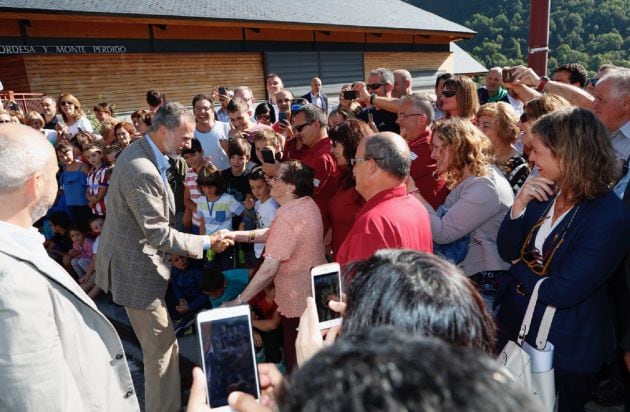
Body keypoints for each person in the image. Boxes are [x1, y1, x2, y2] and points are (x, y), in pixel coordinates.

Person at [95, 102, 232, 412]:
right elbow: (159, 234)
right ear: (163, 130)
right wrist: (208, 242)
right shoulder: (140, 169)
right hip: (136, 275)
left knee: (163, 349)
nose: (189, 144)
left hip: (137, 268)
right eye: (184, 137)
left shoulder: (143, 152)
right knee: (161, 352)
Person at [495, 108, 630, 412]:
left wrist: (519, 267)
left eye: (538, 151)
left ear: (567, 154)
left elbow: (563, 291)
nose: (531, 159)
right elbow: (506, 250)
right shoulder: (544, 191)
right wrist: (518, 206)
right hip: (515, 327)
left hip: (566, 344)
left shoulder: (610, 216)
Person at [0, 123, 139, 411]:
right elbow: (36, 394)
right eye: (54, 175)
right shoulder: (9, 281)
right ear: (36, 184)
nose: (58, 183)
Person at [221, 160, 327, 371]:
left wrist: (240, 301)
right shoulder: (305, 204)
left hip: (298, 300)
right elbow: (273, 234)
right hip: (312, 294)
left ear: (291, 186)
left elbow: (269, 268)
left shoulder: (289, 215)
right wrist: (234, 235)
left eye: (276, 178)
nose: (270, 181)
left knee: (299, 363)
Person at [410, 118, 513, 308]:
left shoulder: (485, 185)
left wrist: (414, 193)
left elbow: (443, 233)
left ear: (458, 147)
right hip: (472, 281)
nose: (433, 155)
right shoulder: (472, 181)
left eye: (438, 148)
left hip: (484, 287)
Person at [336, 132, 432, 266]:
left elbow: (360, 285)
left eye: (356, 161)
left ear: (371, 166)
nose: (353, 170)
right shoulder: (417, 207)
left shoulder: (372, 224)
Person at [396, 94, 448, 209]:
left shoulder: (430, 146)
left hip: (428, 218)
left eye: (403, 116)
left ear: (422, 119)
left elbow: (391, 173)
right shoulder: (414, 142)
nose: (397, 121)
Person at [325, 119, 368, 260]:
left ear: (350, 144)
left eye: (335, 145)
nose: (331, 150)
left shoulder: (365, 184)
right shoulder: (345, 176)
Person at [477, 102, 530, 194]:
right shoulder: (474, 155)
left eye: (486, 125)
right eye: (478, 124)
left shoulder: (519, 166)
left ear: (504, 130)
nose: (478, 130)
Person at [192, 93, 230, 171]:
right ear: (193, 111)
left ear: (212, 110)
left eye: (206, 108)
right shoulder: (190, 133)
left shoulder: (226, 128)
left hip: (228, 174)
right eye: (198, 108)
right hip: (204, 178)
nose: (202, 111)